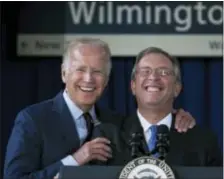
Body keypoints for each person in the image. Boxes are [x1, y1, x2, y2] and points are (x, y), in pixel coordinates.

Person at [4, 38, 196, 179]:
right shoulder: (33, 119)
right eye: (80, 69)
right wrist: (75, 160)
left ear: (106, 81)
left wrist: (175, 116)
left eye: (97, 72)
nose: (88, 79)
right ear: (64, 73)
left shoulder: (116, 122)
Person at [120, 47, 222, 166]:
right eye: (145, 71)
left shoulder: (204, 141)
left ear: (177, 88)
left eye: (163, 72)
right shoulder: (111, 137)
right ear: (133, 86)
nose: (153, 77)